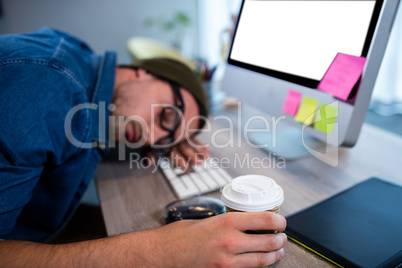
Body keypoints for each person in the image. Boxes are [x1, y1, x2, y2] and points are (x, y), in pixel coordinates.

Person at [0, 27, 287, 267]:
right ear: (144, 71)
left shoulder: (85, 70)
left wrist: (167, 142)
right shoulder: (46, 88)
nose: (150, 137)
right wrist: (158, 252)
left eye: (166, 139)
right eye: (166, 116)